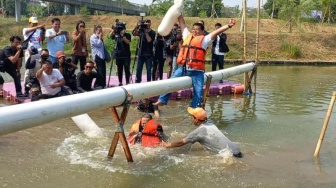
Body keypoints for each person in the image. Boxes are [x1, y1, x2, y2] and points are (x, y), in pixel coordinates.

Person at [154, 15, 236, 108]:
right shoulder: (187, 36)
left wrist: (228, 25)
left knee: (198, 91)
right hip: (184, 69)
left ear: (202, 31)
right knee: (170, 83)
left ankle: (195, 108)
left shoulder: (205, 39)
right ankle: (162, 100)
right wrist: (179, 14)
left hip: (197, 71)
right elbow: (182, 24)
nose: (194, 31)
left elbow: (216, 32)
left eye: (197, 29)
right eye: (193, 29)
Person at [163, 107, 242, 157]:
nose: (191, 119)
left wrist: (167, 145)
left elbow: (181, 143)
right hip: (237, 150)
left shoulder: (198, 132)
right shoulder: (210, 124)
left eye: (192, 117)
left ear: (196, 119)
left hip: (228, 156)